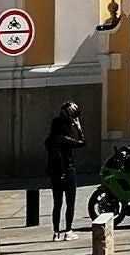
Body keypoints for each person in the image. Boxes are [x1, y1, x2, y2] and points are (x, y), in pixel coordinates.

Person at [44, 102, 85, 242]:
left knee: (57, 203)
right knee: (70, 203)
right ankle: (68, 231)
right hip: (68, 169)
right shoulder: (67, 140)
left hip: (55, 172)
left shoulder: (50, 141)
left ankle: (55, 232)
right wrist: (79, 128)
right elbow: (82, 142)